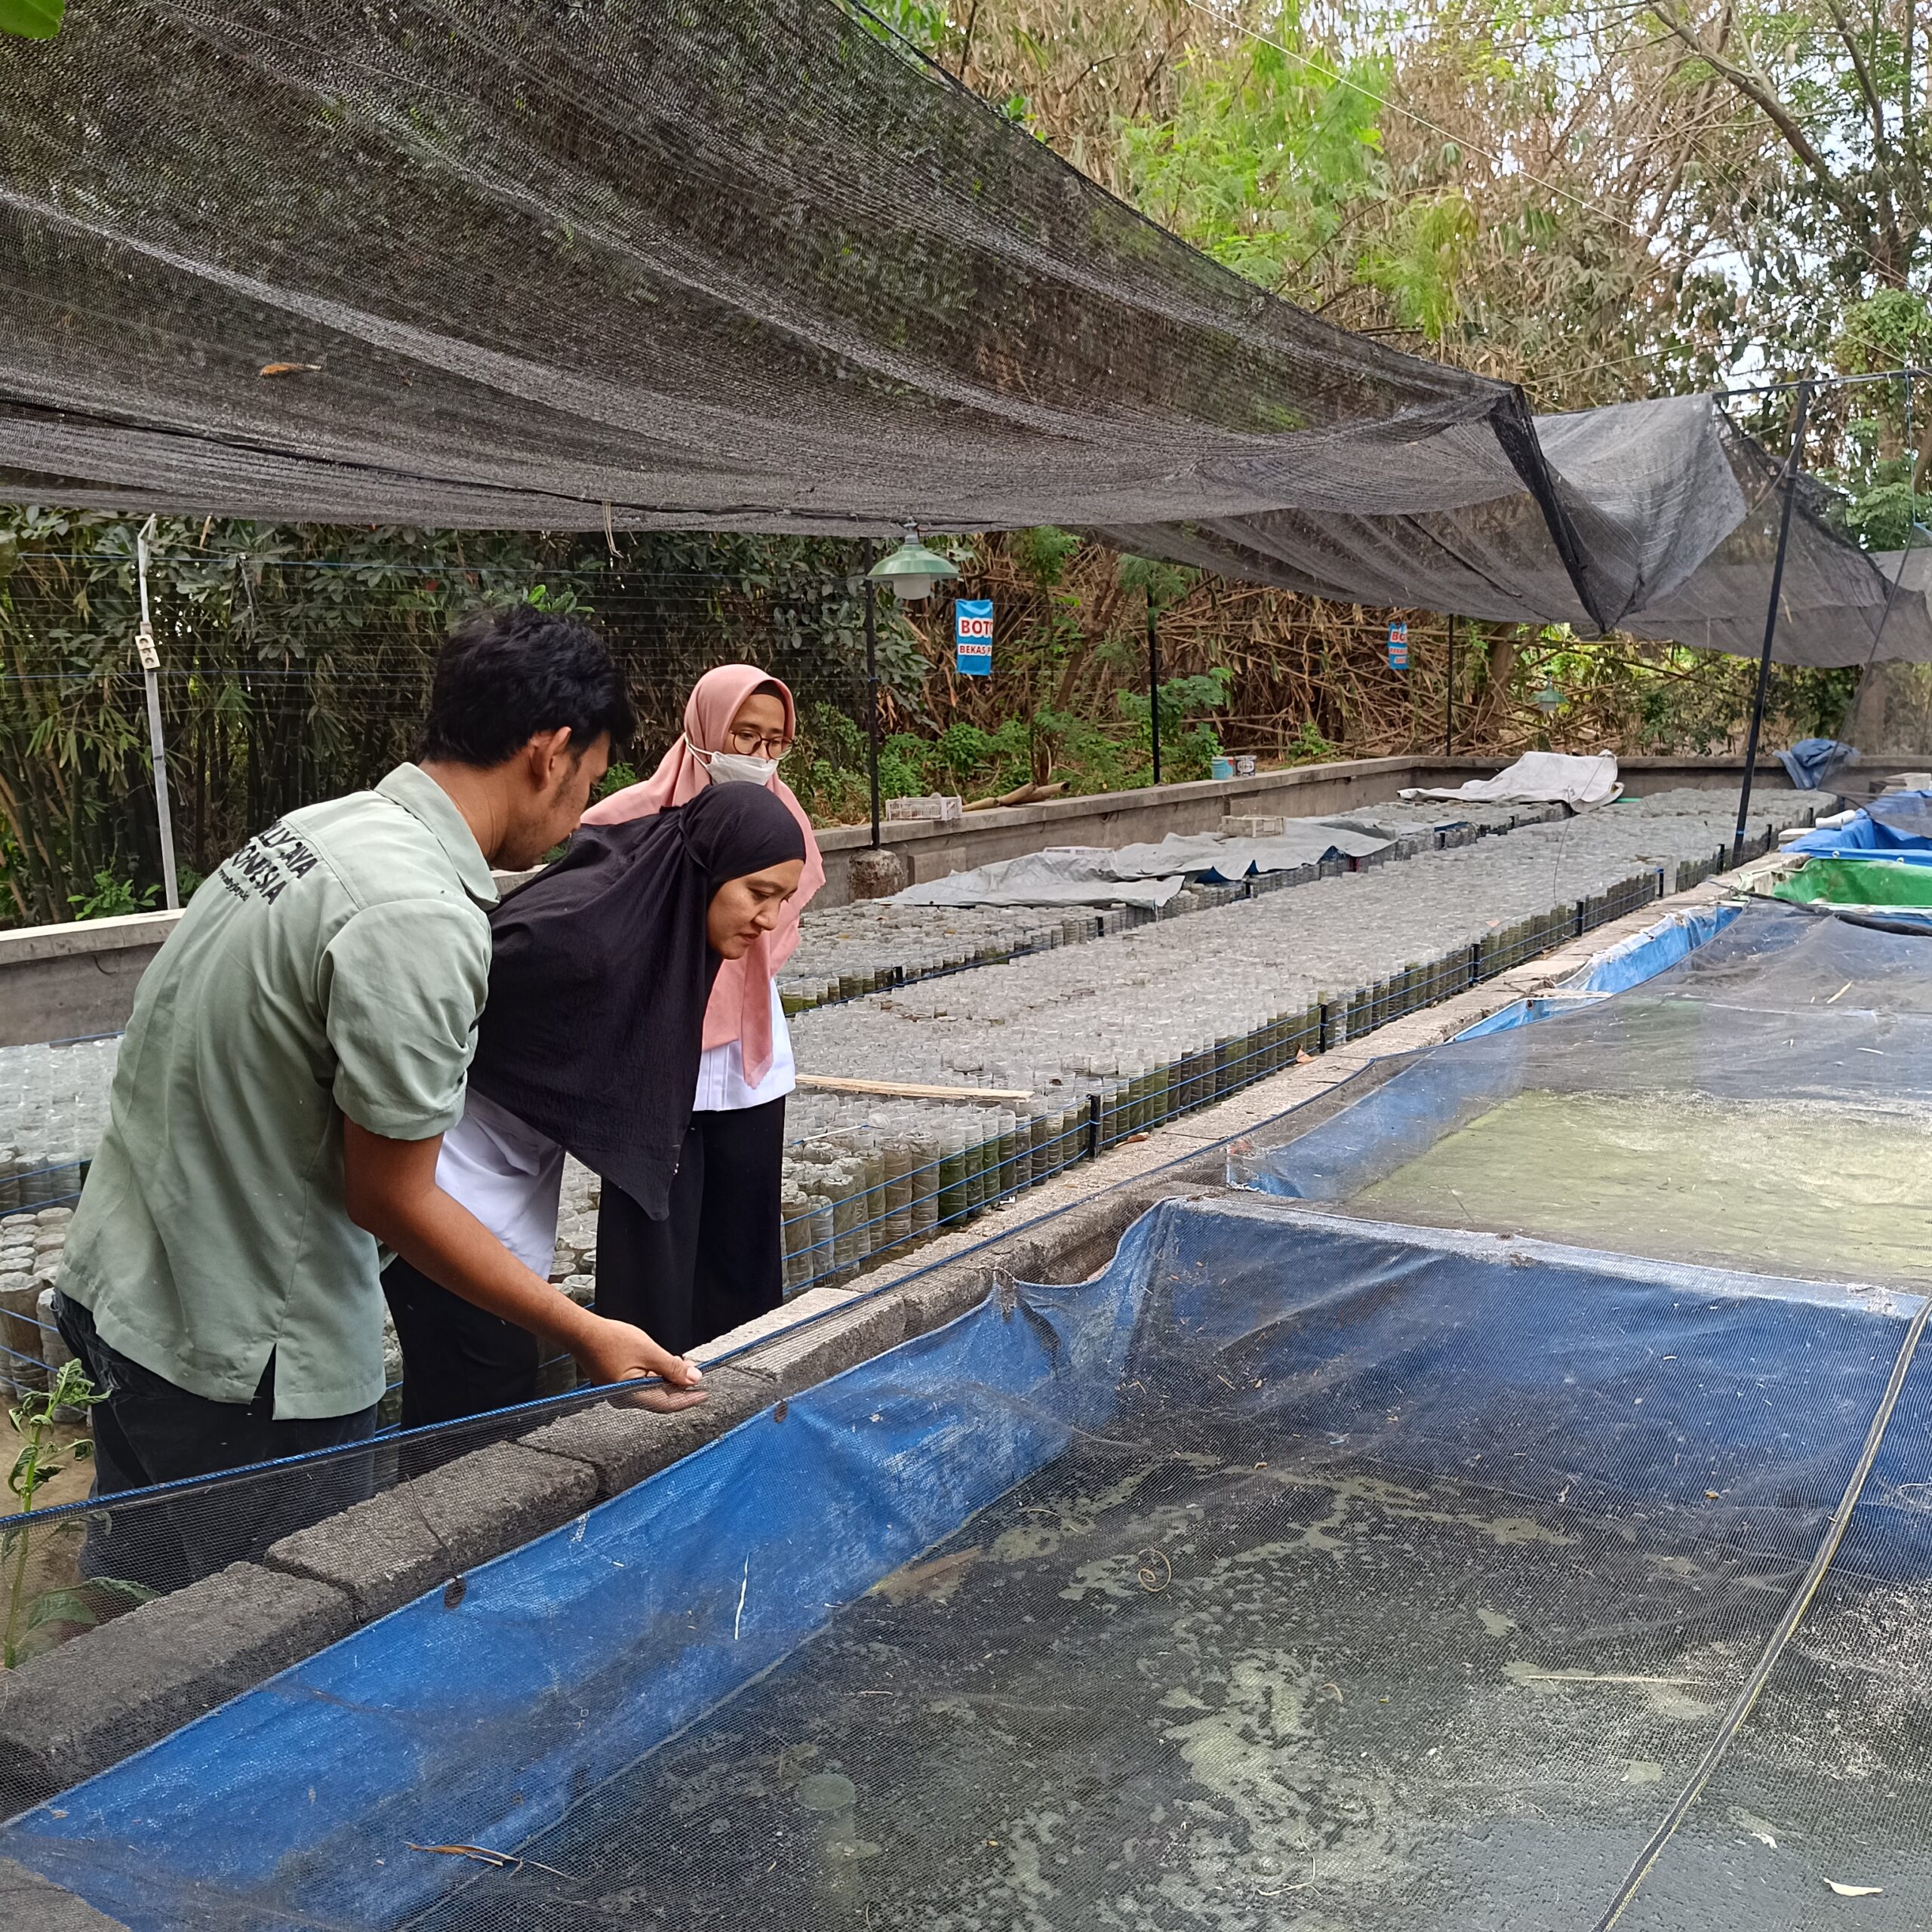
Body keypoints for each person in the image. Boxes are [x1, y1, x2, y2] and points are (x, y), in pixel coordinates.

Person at [53, 604, 703, 1590]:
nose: (580, 815)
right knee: (275, 1652)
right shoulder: (418, 917)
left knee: (137, 1614)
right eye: (592, 781)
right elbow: (389, 1195)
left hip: (128, 1300)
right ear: (549, 752)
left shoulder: (321, 832)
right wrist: (585, 1330)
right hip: (246, 1363)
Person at [381, 783, 808, 1426]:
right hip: (439, 1186)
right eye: (757, 893)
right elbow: (445, 993)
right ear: (709, 867)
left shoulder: (656, 924)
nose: (769, 920)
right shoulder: (586, 944)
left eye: (782, 900)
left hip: (504, 1181)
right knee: (479, 1390)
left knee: (480, 1381)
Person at [579, 666, 826, 1352]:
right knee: (650, 1238)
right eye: (744, 734)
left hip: (748, 1054)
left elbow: (778, 922)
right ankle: (642, 1393)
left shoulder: (783, 817)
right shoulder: (630, 817)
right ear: (705, 728)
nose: (757, 756)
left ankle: (741, 1383)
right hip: (656, 1052)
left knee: (742, 1237)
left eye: (774, 741)